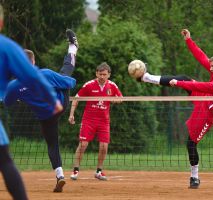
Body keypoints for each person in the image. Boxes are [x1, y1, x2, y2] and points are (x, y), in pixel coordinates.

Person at [139, 29, 213, 189]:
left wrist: (178, 84)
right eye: (211, 66)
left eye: (212, 67)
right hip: (205, 97)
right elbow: (201, 57)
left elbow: (201, 85)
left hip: (210, 114)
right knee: (184, 77)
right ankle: (146, 77)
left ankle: (194, 177)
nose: (210, 69)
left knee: (191, 143)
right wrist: (188, 40)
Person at [3, 29, 79, 192]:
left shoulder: (13, 86)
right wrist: (69, 82)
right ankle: (73, 47)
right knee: (65, 71)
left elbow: (8, 102)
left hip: (44, 116)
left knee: (52, 144)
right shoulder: (44, 74)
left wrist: (19, 95)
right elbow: (70, 83)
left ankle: (60, 175)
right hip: (60, 105)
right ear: (33, 61)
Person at [0, 4, 62, 200]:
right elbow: (32, 77)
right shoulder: (6, 47)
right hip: (46, 111)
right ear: (1, 23)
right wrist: (53, 100)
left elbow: (10, 99)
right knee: (5, 162)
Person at [68, 62, 122, 181]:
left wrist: (116, 100)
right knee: (83, 145)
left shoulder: (112, 85)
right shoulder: (89, 85)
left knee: (104, 147)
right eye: (100, 74)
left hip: (104, 121)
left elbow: (120, 98)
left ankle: (99, 171)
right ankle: (75, 170)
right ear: (96, 73)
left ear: (109, 75)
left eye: (104, 74)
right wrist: (71, 114)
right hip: (89, 120)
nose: (102, 76)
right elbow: (76, 99)